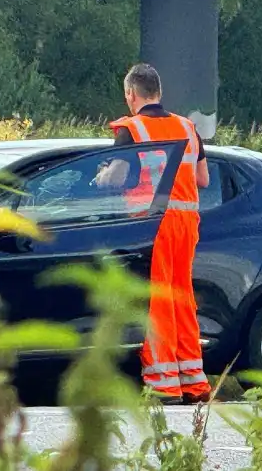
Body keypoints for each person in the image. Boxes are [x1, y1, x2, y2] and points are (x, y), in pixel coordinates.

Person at [95, 63, 211, 404]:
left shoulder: (131, 129)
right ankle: (193, 380)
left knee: (157, 299)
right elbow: (202, 179)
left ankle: (163, 384)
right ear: (158, 91)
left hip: (153, 224)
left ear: (131, 94)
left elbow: (116, 177)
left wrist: (100, 176)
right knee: (182, 298)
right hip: (187, 223)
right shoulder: (187, 127)